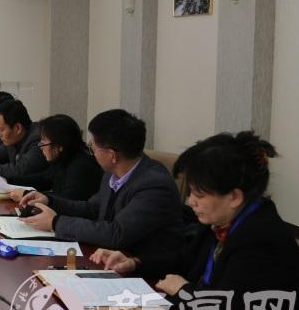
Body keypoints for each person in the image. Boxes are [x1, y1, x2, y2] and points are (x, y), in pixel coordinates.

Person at [90, 132, 299, 310]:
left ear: (234, 197)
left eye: (198, 194)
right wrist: (134, 263)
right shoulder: (223, 221)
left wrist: (183, 290)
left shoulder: (259, 237)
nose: (190, 202)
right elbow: (183, 259)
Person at [16, 109, 183, 272]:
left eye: (93, 148)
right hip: (109, 259)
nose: (92, 153)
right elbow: (92, 208)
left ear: (112, 155)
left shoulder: (154, 185)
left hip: (145, 272)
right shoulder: (112, 173)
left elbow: (116, 233)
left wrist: (55, 223)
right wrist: (49, 201)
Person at [6, 114, 102, 201]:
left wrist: (26, 195)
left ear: (60, 145)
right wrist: (9, 180)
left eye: (44, 142)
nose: (41, 146)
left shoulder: (81, 166)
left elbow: (66, 200)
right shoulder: (64, 158)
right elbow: (44, 179)